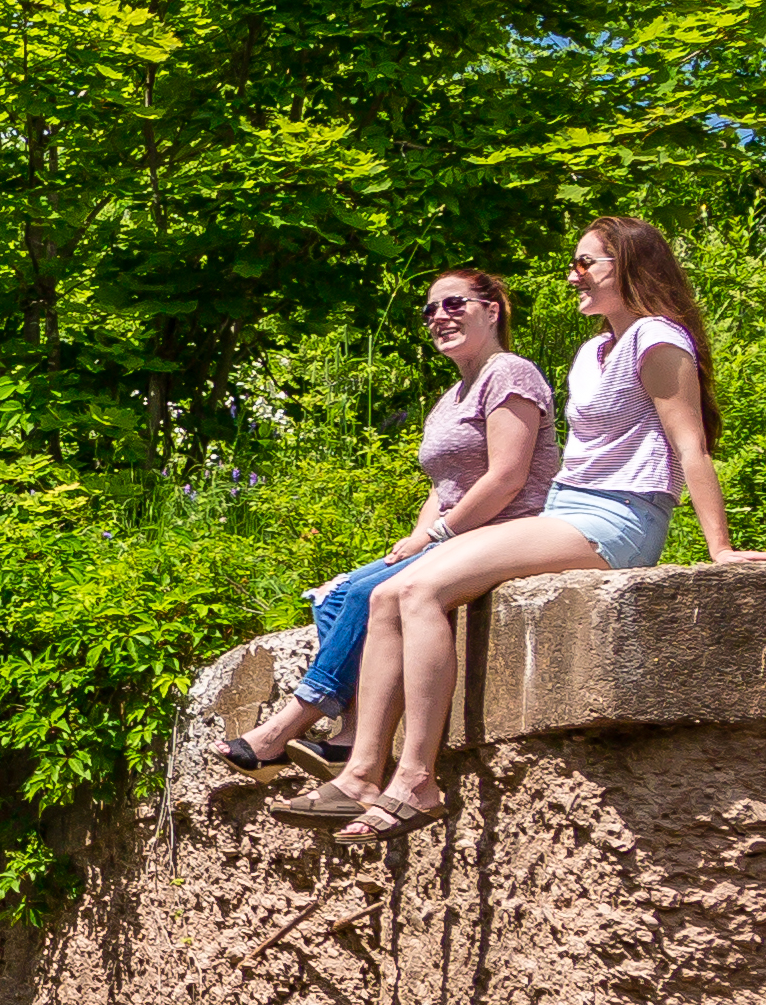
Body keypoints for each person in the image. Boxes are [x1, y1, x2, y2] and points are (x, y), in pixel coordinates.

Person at [291, 214, 756, 844]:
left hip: (619, 516)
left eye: (587, 263)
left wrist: (720, 549)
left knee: (424, 592)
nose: (573, 275)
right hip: (566, 510)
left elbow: (690, 445)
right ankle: (362, 774)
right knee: (387, 591)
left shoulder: (657, 338)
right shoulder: (593, 351)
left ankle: (415, 781)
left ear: (630, 265)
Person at [213, 267, 550, 791]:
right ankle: (348, 735)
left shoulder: (510, 372)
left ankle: (283, 729)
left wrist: (436, 537)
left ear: (492, 308)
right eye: (430, 311)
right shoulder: (452, 397)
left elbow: (507, 477)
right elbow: (444, 484)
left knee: (370, 593)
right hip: (453, 532)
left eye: (454, 304)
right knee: (332, 596)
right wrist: (418, 535)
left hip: (503, 528)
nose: (439, 317)